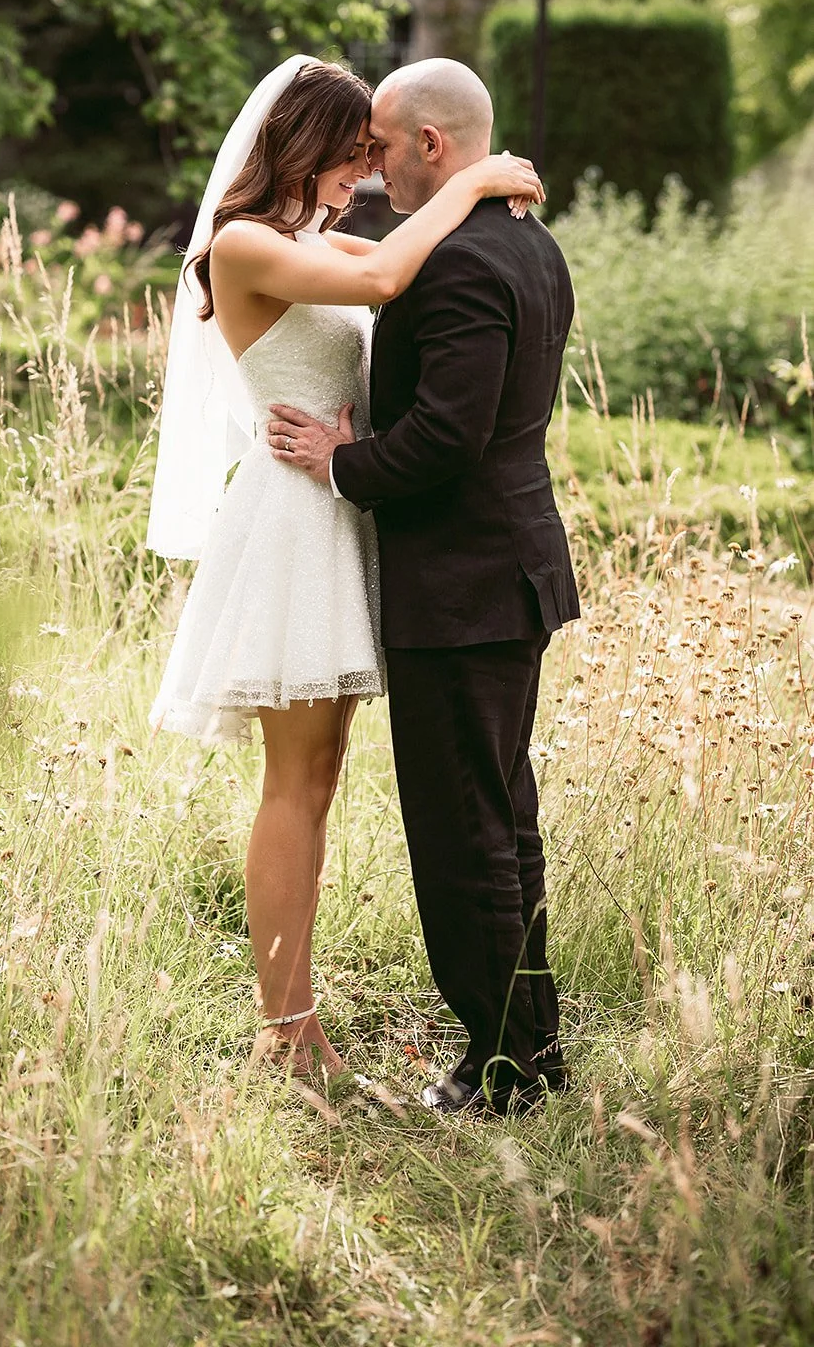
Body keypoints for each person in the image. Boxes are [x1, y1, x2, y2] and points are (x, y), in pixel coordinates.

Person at [147, 55, 544, 1078]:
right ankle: (285, 1030)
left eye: (373, 149)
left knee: (319, 780)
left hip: (343, 514)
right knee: (295, 781)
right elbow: (380, 280)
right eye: (349, 150)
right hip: (292, 522)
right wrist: (470, 176)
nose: (363, 169)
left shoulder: (311, 239)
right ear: (300, 143)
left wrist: (470, 193)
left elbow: (401, 266)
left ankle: (302, 1020)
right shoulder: (242, 244)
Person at [268, 58, 579, 1112]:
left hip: (462, 587)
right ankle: (530, 1046)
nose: (365, 171)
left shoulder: (452, 264)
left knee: (461, 839)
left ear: (432, 148)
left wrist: (340, 460)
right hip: (507, 571)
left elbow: (445, 437)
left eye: (381, 148)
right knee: (501, 819)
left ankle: (501, 1071)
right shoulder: (526, 244)